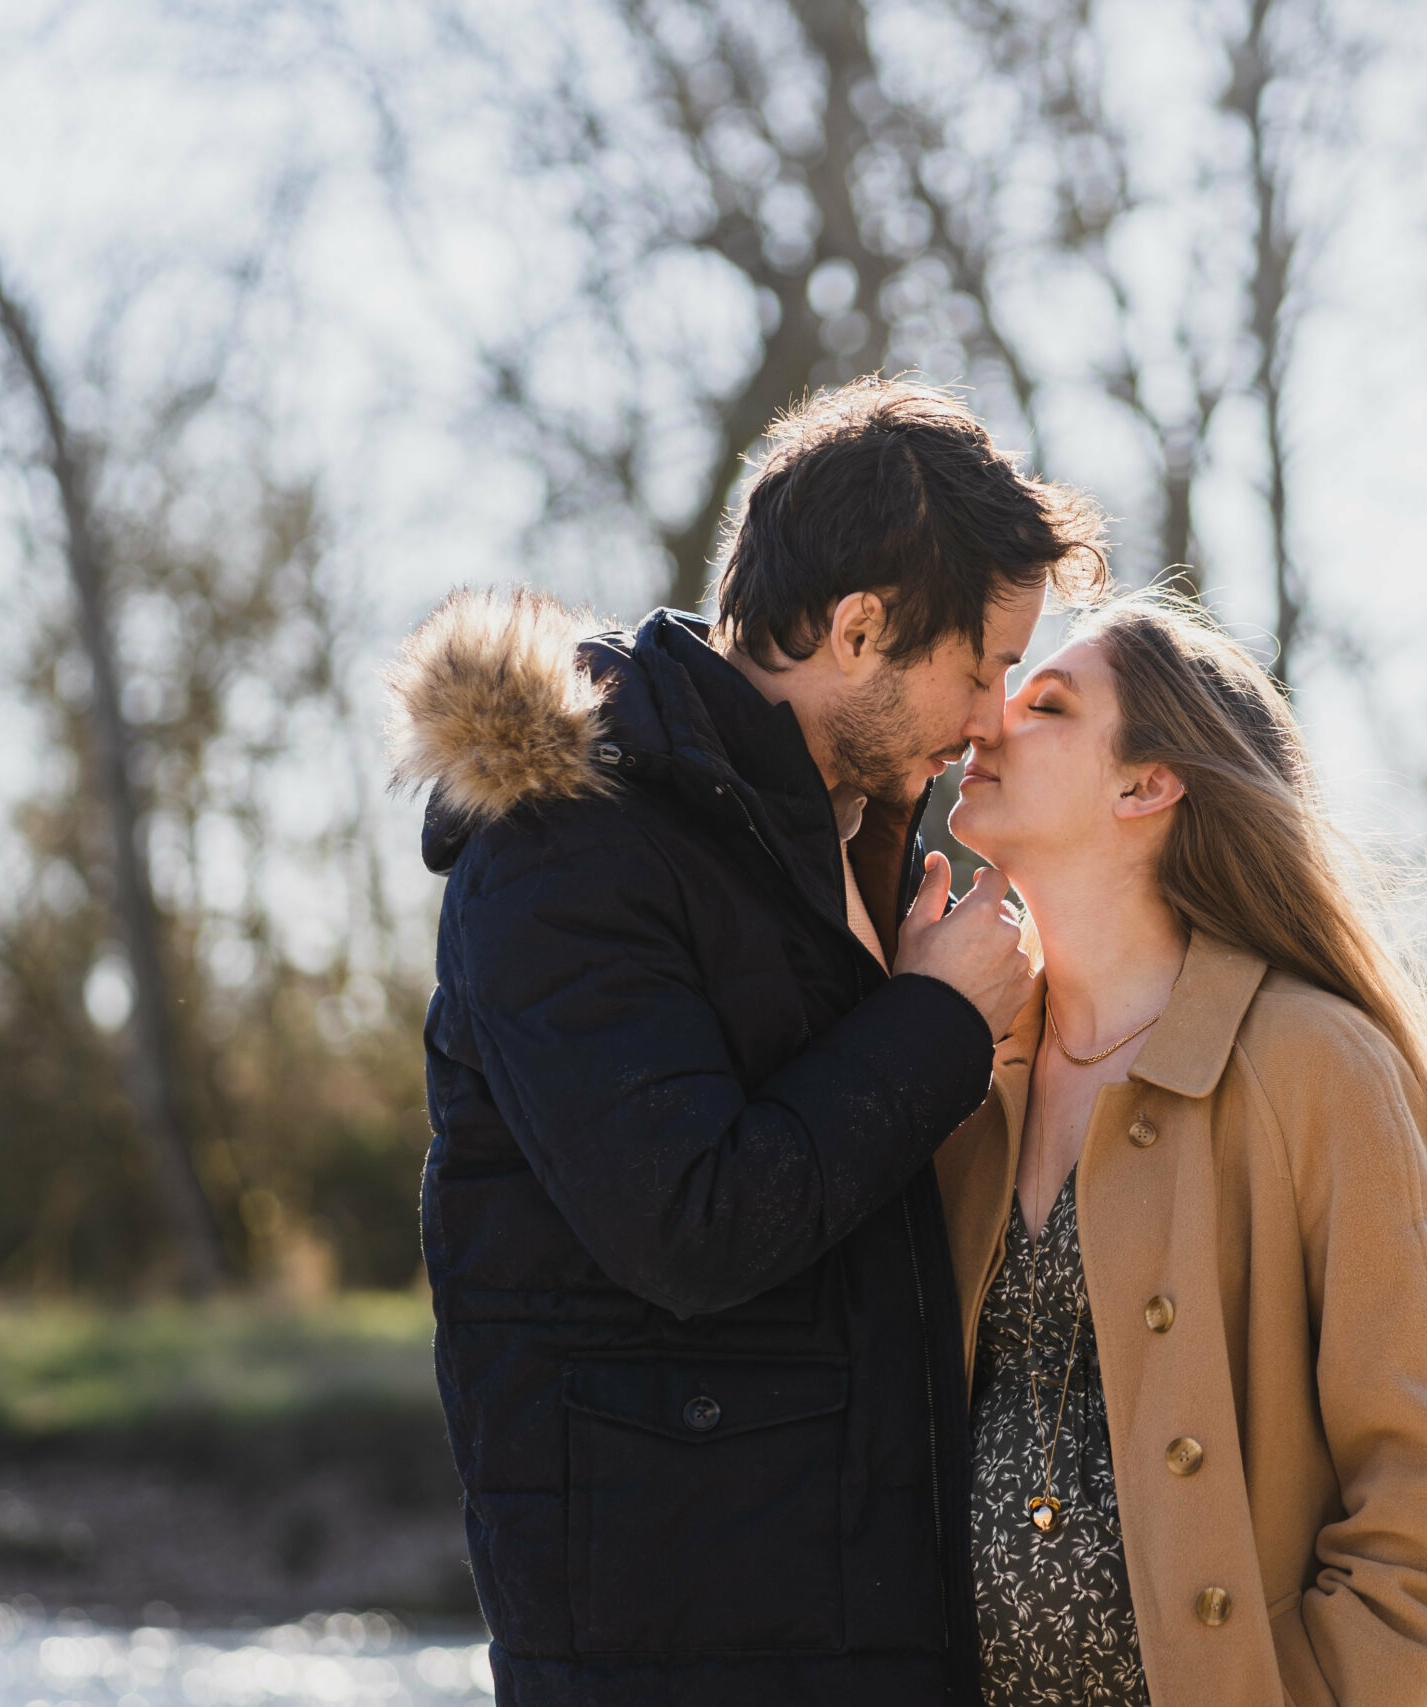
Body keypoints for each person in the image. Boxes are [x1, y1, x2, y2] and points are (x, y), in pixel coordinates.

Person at [385, 377, 1108, 1707]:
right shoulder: (567, 843)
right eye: (986, 664)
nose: (998, 711)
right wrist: (936, 1020)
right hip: (678, 1657)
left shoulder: (845, 842)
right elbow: (691, 1219)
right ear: (858, 626)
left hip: (842, 1633)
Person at [933, 589, 1427, 1707]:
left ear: (1146, 785)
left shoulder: (1314, 1062)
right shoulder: (965, 1063)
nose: (987, 719)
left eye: (1047, 704)